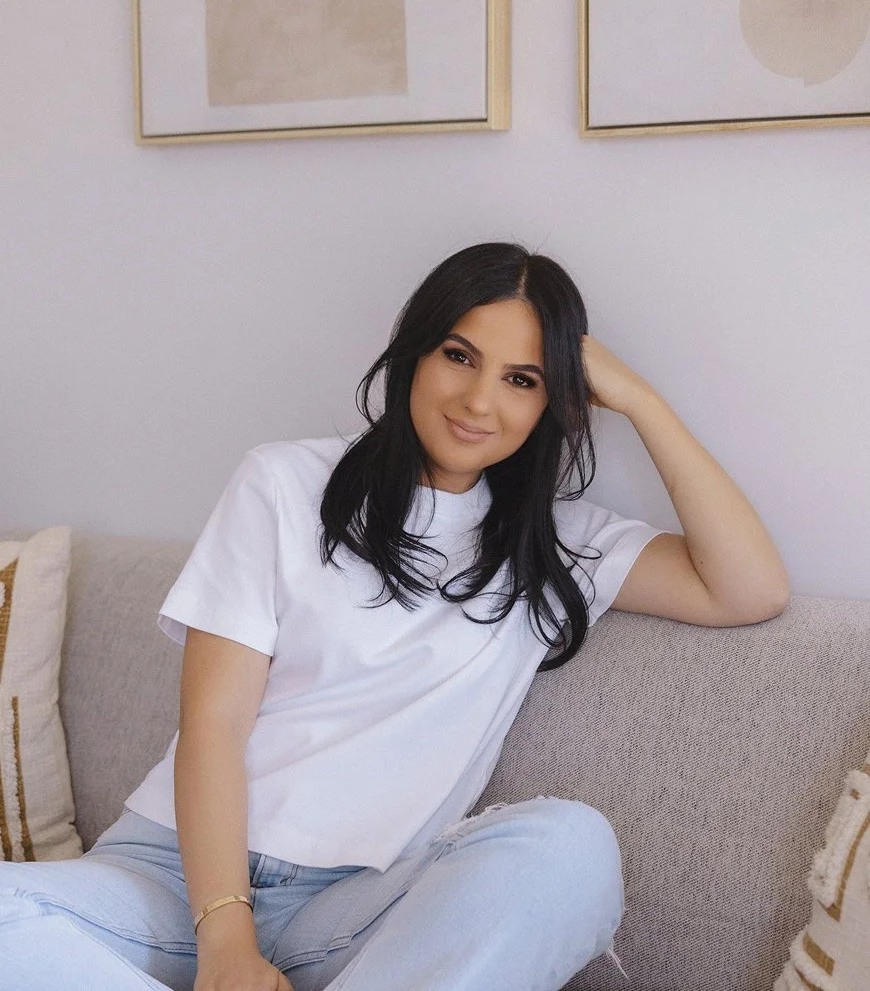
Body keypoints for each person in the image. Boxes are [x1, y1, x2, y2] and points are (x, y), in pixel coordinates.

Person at [0, 242, 789, 991]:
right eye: (459, 356)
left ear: (554, 401)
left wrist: (641, 401)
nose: (479, 401)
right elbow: (214, 723)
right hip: (176, 879)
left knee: (568, 847)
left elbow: (748, 589)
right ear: (415, 352)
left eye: (522, 379)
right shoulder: (283, 484)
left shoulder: (557, 546)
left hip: (360, 907)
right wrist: (228, 945)